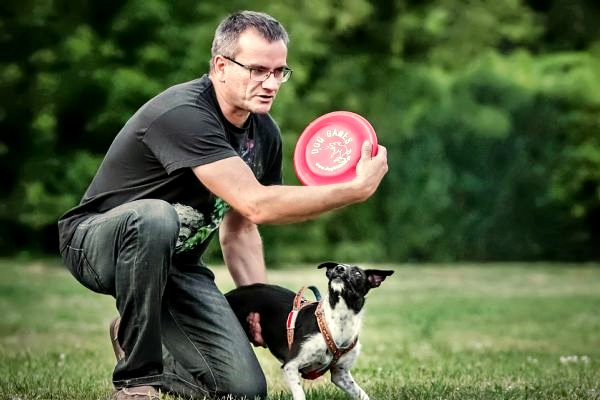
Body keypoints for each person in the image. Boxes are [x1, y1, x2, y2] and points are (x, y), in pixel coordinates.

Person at [57, 10, 388, 400]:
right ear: (220, 65)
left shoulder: (263, 133)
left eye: (279, 71)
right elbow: (257, 205)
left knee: (244, 390)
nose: (270, 83)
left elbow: (242, 227)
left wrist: (258, 304)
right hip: (96, 243)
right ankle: (136, 381)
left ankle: (140, 338)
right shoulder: (185, 114)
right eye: (257, 70)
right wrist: (353, 190)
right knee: (154, 217)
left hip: (177, 266)